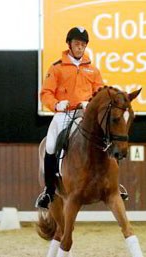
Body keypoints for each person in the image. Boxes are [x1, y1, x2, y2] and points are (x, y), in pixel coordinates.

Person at [35, 26, 128, 209]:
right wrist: (56, 104)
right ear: (69, 45)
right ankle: (49, 190)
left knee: (108, 136)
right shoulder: (57, 68)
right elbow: (46, 93)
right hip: (64, 113)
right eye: (77, 44)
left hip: (86, 115)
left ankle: (115, 184)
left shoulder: (92, 69)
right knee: (52, 143)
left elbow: (100, 93)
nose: (80, 47)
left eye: (83, 44)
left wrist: (91, 104)